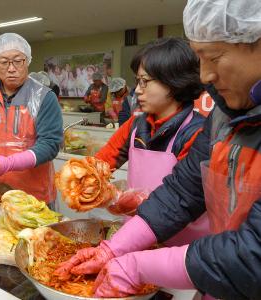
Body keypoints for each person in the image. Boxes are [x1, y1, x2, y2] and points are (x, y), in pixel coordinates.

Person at [56, 1, 261, 299]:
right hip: (213, 280)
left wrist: (138, 266)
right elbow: (182, 194)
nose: (205, 76)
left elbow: (252, 254)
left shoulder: (196, 124)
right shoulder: (223, 117)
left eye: (214, 57)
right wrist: (112, 249)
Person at [94, 37, 207, 245]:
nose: (137, 90)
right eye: (138, 81)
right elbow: (99, 165)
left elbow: (182, 200)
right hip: (134, 238)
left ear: (174, 82)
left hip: (178, 248)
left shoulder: (197, 133)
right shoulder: (135, 126)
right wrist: (83, 178)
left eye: (144, 81)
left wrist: (120, 200)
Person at [0, 33, 63, 204]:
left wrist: (9, 163)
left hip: (34, 197)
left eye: (17, 60)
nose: (11, 68)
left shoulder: (44, 97)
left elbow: (50, 144)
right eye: (4, 62)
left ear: (27, 61)